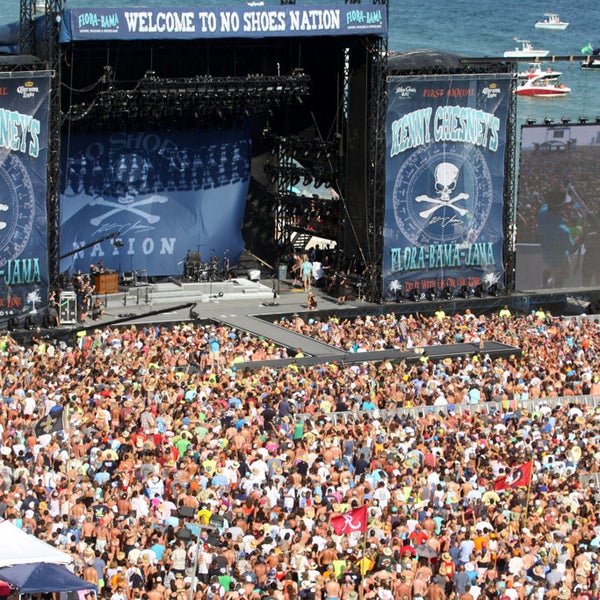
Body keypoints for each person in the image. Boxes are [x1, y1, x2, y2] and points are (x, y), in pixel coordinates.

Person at [536, 187, 575, 288]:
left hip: (546, 256)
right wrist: (583, 232)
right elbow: (571, 245)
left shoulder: (542, 212)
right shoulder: (563, 230)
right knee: (559, 281)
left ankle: (544, 287)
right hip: (560, 261)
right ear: (562, 207)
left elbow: (548, 207)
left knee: (548, 271)